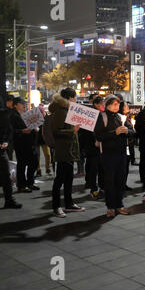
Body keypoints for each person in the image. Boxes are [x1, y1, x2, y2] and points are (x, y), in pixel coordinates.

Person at [49, 89, 85, 218]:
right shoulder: (60, 111)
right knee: (60, 179)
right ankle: (56, 206)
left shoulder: (69, 110)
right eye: (75, 97)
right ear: (70, 98)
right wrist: (72, 131)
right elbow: (56, 131)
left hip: (70, 150)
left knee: (69, 179)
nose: (76, 100)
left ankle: (69, 204)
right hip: (63, 150)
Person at [95, 97, 130, 218]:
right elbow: (98, 135)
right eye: (114, 104)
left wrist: (127, 131)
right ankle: (110, 207)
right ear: (107, 105)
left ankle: (119, 205)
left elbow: (132, 131)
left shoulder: (121, 117)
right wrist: (114, 132)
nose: (116, 106)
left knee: (120, 180)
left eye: (118, 104)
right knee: (109, 182)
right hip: (108, 155)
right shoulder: (102, 117)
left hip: (121, 154)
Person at [11, 97, 39, 193]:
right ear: (15, 105)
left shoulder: (27, 114)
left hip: (30, 142)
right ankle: (21, 185)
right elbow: (10, 131)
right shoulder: (13, 116)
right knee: (22, 164)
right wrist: (22, 131)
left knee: (34, 162)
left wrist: (35, 128)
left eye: (25, 103)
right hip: (20, 144)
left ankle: (30, 182)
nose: (24, 105)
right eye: (22, 103)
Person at [81, 96, 105, 199]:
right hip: (92, 146)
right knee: (94, 168)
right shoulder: (91, 114)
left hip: (97, 146)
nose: (103, 106)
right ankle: (93, 189)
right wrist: (96, 139)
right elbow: (90, 130)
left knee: (99, 168)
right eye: (101, 104)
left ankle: (100, 188)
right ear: (96, 104)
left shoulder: (100, 114)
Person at [118, 101, 135, 191]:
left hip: (129, 145)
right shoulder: (120, 118)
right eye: (126, 106)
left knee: (126, 166)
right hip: (124, 145)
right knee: (123, 167)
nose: (128, 107)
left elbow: (131, 130)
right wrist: (130, 130)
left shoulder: (127, 117)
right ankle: (121, 185)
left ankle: (123, 184)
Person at [35, 103, 52, 177]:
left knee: (47, 155)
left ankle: (48, 168)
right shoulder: (35, 118)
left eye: (41, 113)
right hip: (36, 139)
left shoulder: (48, 118)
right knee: (37, 156)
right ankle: (38, 170)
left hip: (45, 139)